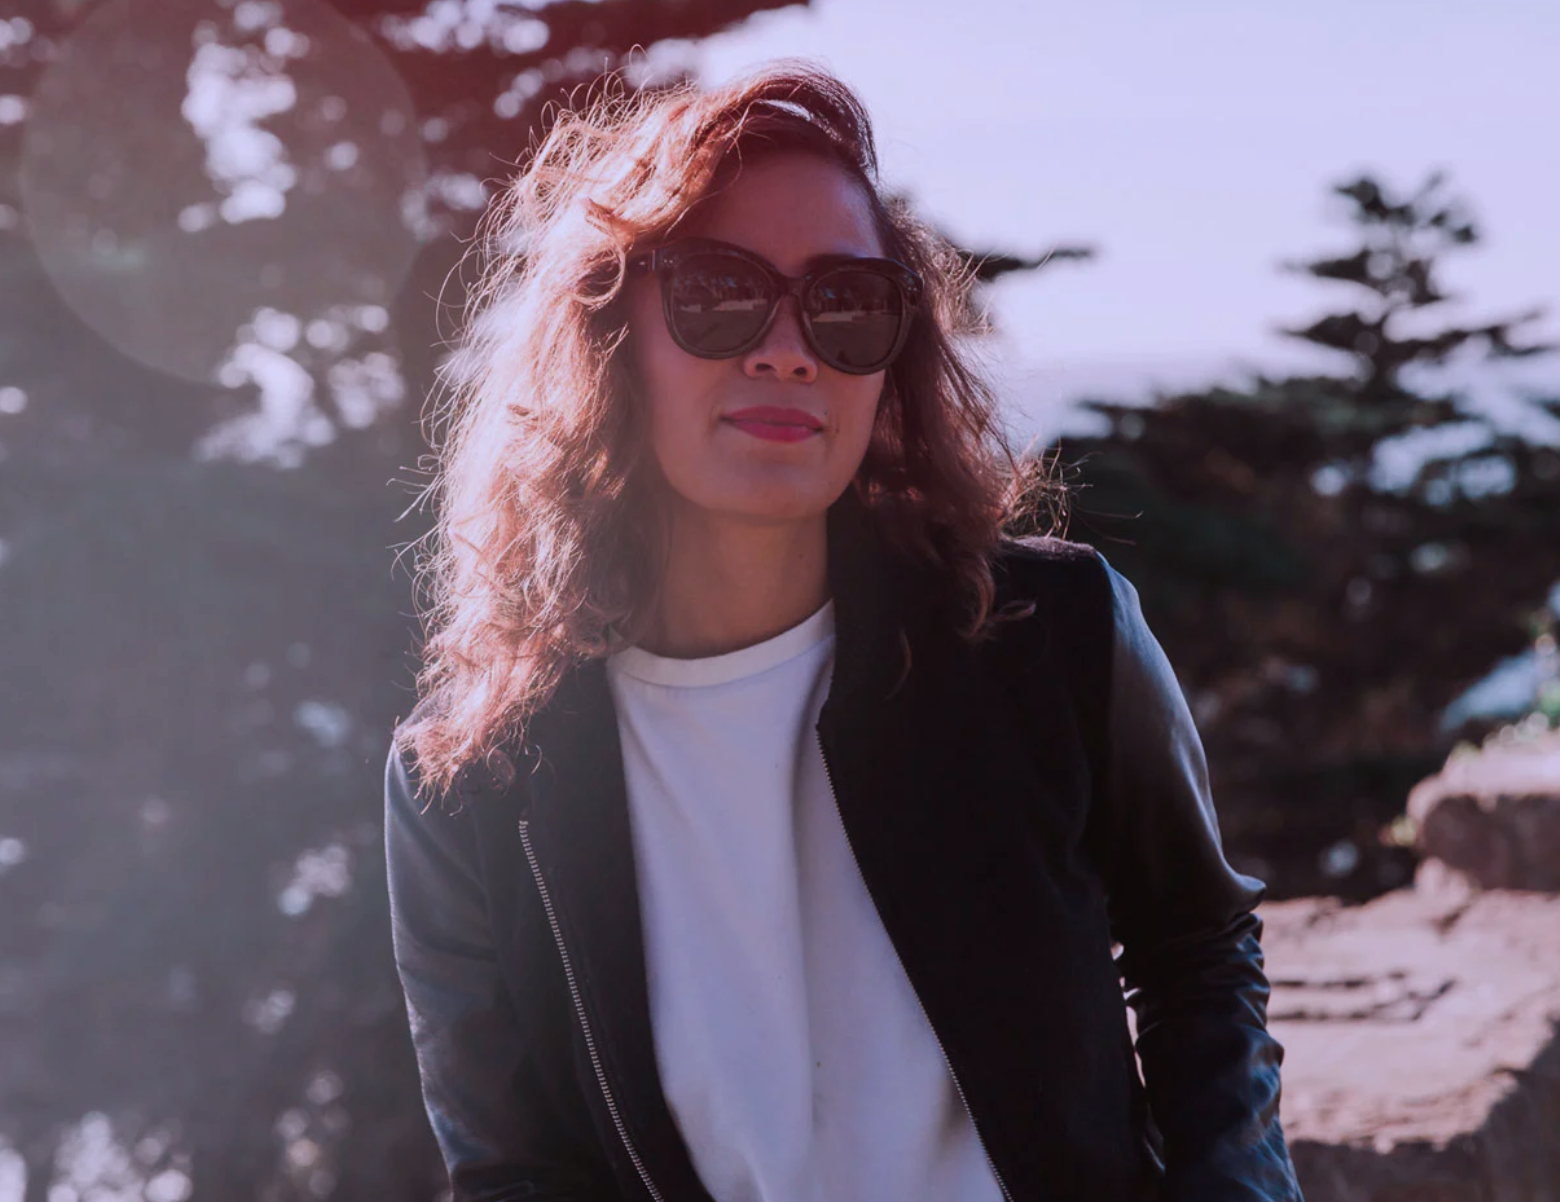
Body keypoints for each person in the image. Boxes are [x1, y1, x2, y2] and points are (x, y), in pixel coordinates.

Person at [384, 61, 1303, 1202]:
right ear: (610, 332)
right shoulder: (473, 778)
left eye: (847, 304)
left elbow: (1198, 951)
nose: (788, 349)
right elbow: (515, 1168)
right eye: (719, 291)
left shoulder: (1051, 635)